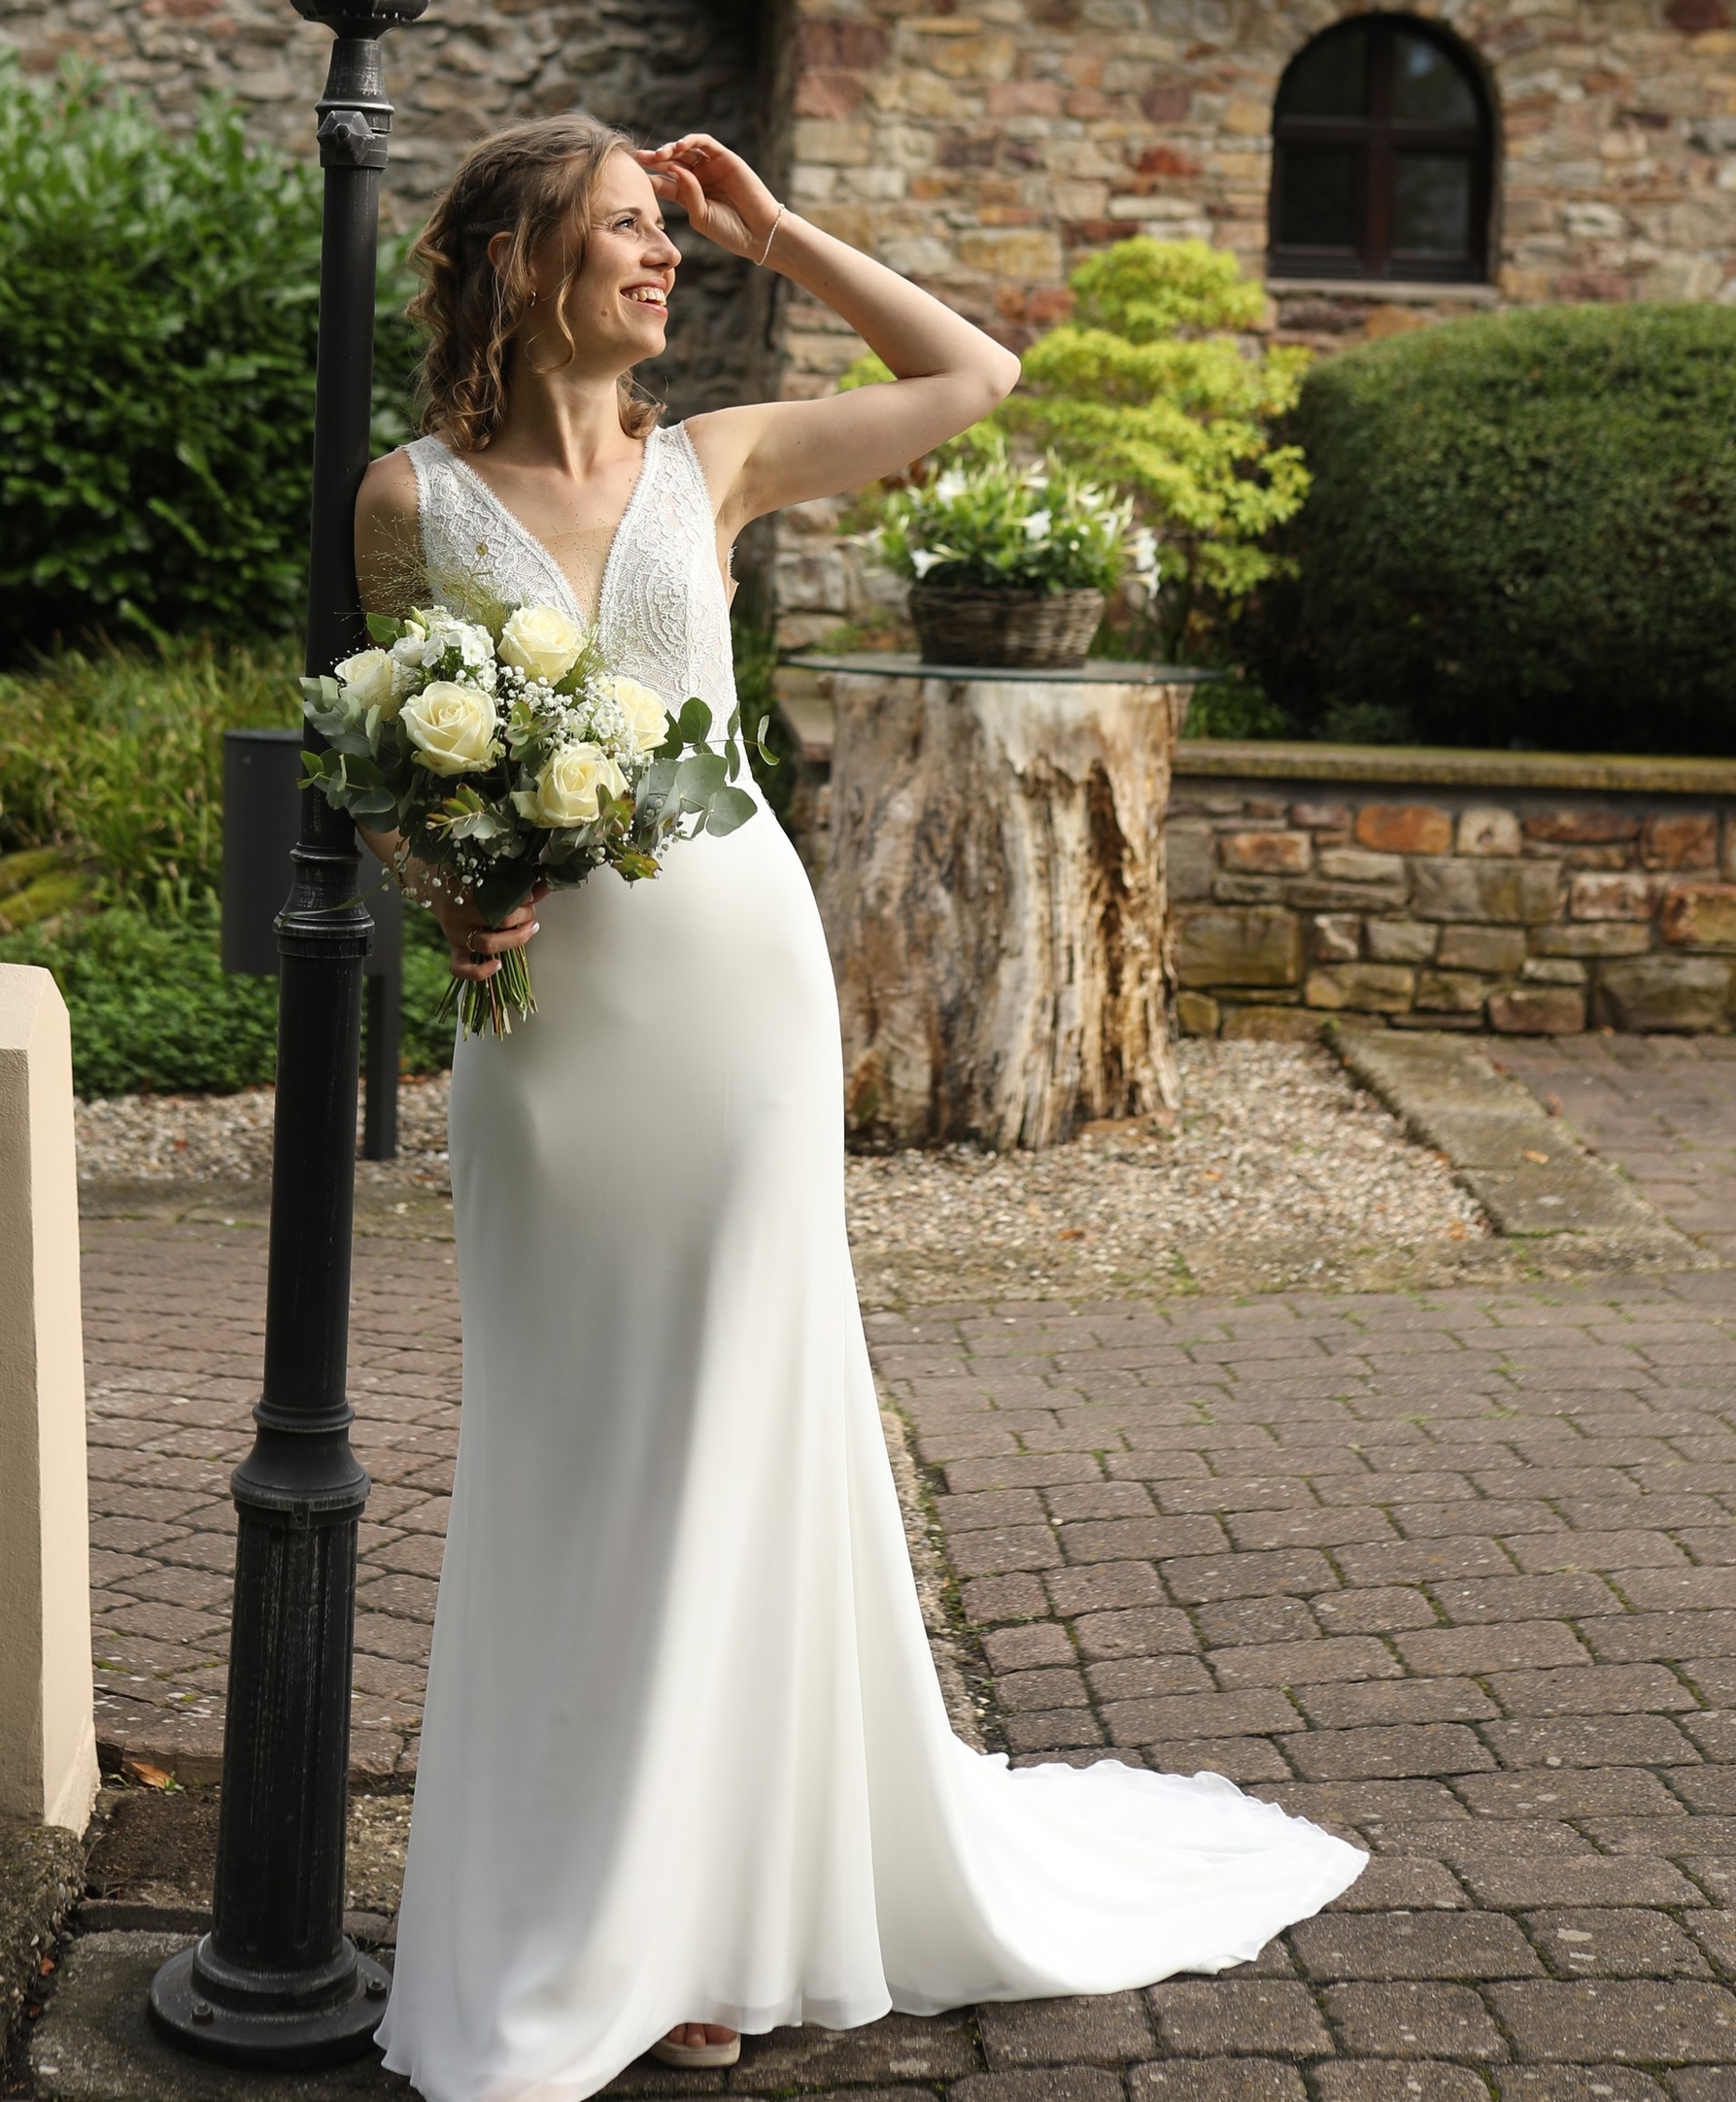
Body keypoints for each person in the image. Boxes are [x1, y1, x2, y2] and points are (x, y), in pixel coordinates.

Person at [355, 119, 1362, 2102]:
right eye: (628, 234)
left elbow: (971, 381)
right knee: (570, 1434)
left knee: (732, 1421)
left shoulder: (709, 461)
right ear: (517, 259)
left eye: (665, 233)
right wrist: (448, 894)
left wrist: (777, 226)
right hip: (548, 1027)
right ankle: (577, 1890)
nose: (659, 262)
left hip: (731, 987)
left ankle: (715, 1917)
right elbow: (394, 769)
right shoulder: (411, 496)